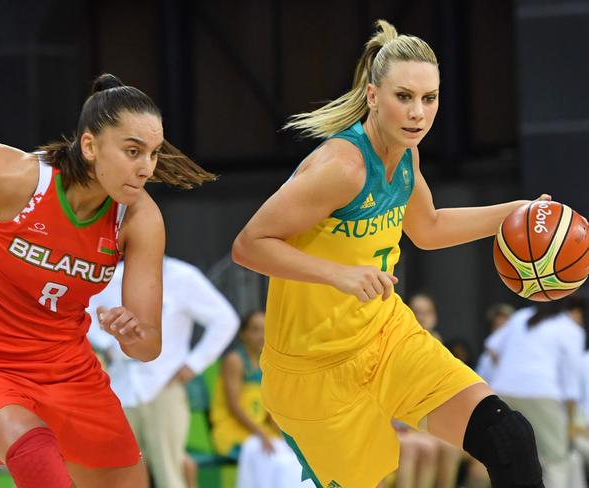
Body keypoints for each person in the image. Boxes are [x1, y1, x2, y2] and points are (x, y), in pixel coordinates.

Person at [232, 19, 547, 487]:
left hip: (385, 335)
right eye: (404, 97)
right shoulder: (341, 167)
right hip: (313, 369)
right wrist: (338, 274)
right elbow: (248, 245)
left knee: (508, 438)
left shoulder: (406, 154)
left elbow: (428, 228)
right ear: (374, 96)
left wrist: (515, 213)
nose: (418, 113)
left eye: (429, 98)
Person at [0, 73, 214, 488]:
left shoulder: (139, 218)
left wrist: (131, 332)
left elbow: (147, 346)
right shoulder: (17, 178)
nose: (146, 169)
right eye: (133, 151)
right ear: (89, 146)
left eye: (153, 154)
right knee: (34, 447)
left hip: (71, 375)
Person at [87, 255, 240, 488]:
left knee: (170, 471)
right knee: (120, 474)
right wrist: (106, 345)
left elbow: (225, 319)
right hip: (119, 388)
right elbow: (85, 313)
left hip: (164, 386)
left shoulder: (182, 276)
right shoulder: (109, 277)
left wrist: (194, 364)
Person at [485, 298, 585, 488]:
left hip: (503, 392)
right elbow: (570, 384)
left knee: (505, 459)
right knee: (556, 462)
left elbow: (492, 346)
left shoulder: (519, 317)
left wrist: (509, 373)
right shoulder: (570, 329)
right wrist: (570, 422)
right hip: (542, 396)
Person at [210, 311, 310, 488]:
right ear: (243, 334)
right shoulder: (235, 360)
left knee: (294, 460)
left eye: (265, 329)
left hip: (261, 431)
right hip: (235, 430)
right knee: (274, 461)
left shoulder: (268, 363)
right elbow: (234, 406)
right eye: (255, 330)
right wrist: (261, 433)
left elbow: (271, 408)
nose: (261, 336)